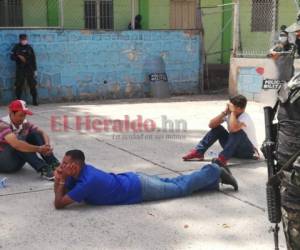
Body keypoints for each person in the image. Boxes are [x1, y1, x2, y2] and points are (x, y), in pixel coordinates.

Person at [53, 149, 238, 209]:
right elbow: (64, 192)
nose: (61, 166)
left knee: (180, 188)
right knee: (176, 184)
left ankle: (214, 169)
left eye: (64, 163)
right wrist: (61, 179)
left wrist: (59, 180)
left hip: (140, 188)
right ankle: (213, 181)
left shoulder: (87, 181)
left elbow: (60, 203)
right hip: (135, 181)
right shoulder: (78, 174)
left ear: (75, 166)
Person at [182, 95, 258, 167]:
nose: (229, 108)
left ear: (241, 109)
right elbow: (211, 125)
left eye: (232, 107)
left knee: (237, 131)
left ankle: (223, 159)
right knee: (218, 128)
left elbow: (233, 129)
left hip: (247, 151)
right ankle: (199, 152)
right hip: (233, 150)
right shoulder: (229, 114)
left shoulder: (245, 117)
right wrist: (224, 112)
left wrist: (233, 112)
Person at [0, 100, 59, 180]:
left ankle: (53, 163)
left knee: (35, 134)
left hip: (17, 162)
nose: (22, 118)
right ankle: (43, 169)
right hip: (4, 162)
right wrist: (39, 149)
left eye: (24, 115)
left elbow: (42, 133)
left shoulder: (24, 123)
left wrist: (47, 146)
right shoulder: (2, 124)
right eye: (20, 115)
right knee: (19, 141)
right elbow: (16, 144)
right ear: (11, 112)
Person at [10, 34, 38, 106]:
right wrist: (18, 57)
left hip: (29, 69)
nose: (24, 40)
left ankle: (34, 100)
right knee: (19, 85)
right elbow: (12, 57)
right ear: (20, 40)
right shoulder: (16, 47)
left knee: (32, 85)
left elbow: (33, 59)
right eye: (22, 39)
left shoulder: (29, 48)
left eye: (25, 39)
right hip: (20, 69)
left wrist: (35, 70)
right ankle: (19, 101)